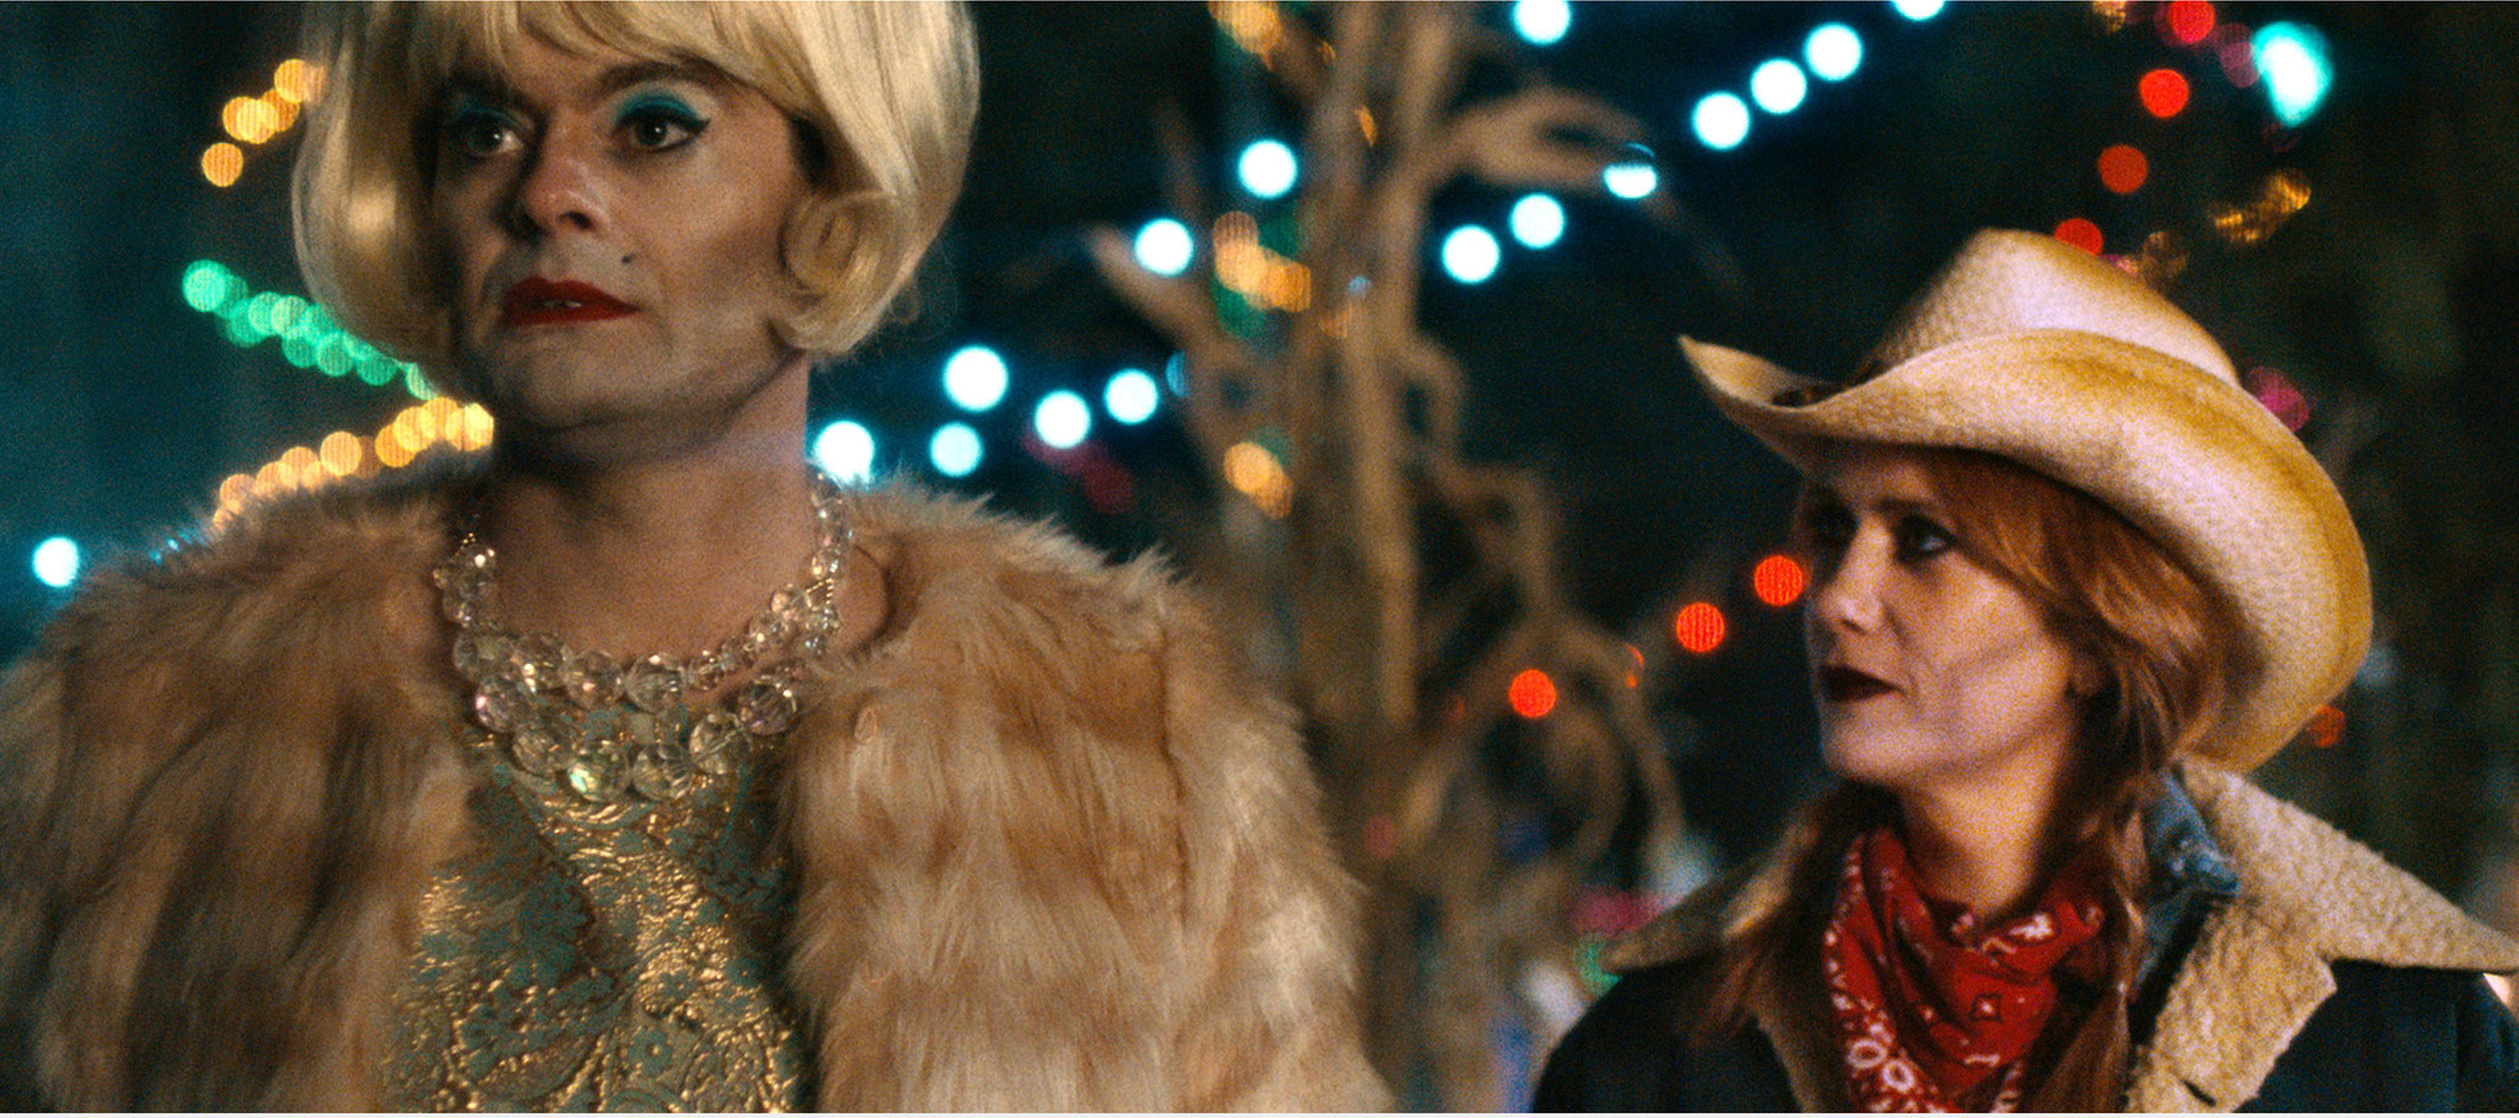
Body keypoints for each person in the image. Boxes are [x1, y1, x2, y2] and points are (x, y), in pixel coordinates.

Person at [0, 2, 1385, 1110]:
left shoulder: (1129, 736)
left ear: (833, 182)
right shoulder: (149, 726)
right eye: (484, 130)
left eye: (652, 125)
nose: (548, 192)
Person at [1535, 229, 2519, 1111]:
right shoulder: (1657, 1048)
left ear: (2097, 633)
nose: (1838, 597)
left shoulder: (2394, 1039)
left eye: (1921, 538)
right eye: (1831, 528)